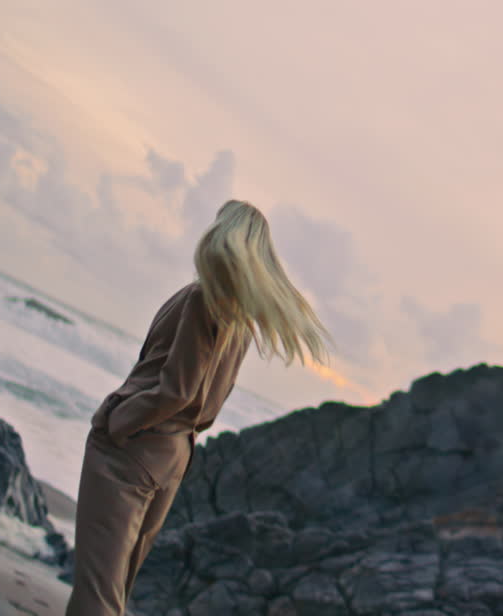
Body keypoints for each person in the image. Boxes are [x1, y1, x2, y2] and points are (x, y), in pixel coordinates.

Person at [64, 199, 332, 616]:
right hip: (173, 455)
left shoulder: (201, 299)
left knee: (97, 591)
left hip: (134, 447)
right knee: (115, 588)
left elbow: (178, 390)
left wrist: (117, 421)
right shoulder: (240, 321)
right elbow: (208, 404)